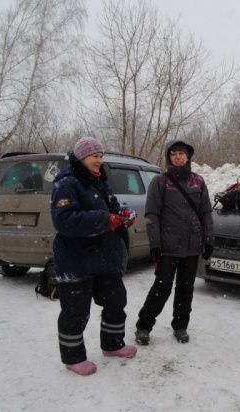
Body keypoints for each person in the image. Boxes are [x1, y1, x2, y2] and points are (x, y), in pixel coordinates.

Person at [51, 137, 138, 376]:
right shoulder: (67, 184)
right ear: (81, 158)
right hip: (75, 260)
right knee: (75, 311)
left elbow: (109, 207)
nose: (100, 160)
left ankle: (112, 344)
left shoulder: (99, 181)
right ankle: (73, 357)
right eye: (95, 156)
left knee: (115, 300)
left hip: (103, 257)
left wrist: (122, 214)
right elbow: (63, 221)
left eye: (101, 156)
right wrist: (103, 220)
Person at [135, 140, 214, 345]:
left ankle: (180, 326)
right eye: (173, 154)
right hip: (168, 246)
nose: (178, 157)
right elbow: (152, 215)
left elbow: (206, 212)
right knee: (161, 289)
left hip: (192, 246)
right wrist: (155, 245)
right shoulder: (160, 182)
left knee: (186, 289)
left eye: (182, 153)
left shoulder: (199, 182)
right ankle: (143, 326)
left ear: (188, 157)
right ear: (169, 158)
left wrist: (209, 240)